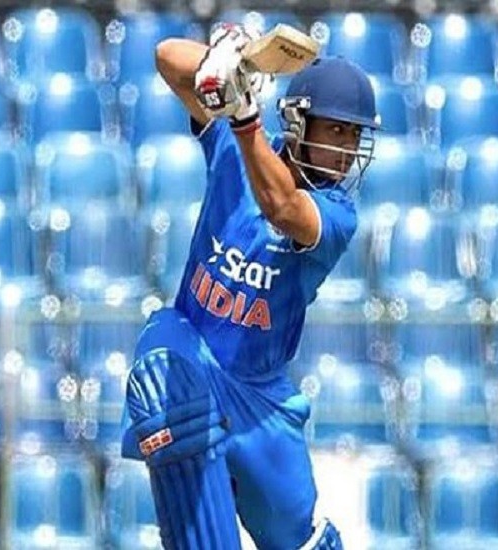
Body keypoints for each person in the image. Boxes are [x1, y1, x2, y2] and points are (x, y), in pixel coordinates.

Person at [119, 22, 378, 550]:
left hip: (260, 395)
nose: (347, 150)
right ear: (298, 121)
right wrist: (226, 65)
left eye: (354, 136)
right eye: (336, 131)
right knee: (164, 378)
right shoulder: (232, 144)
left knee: (303, 541)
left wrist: (243, 116)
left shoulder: (337, 213)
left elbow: (281, 205)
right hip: (194, 354)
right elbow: (166, 56)